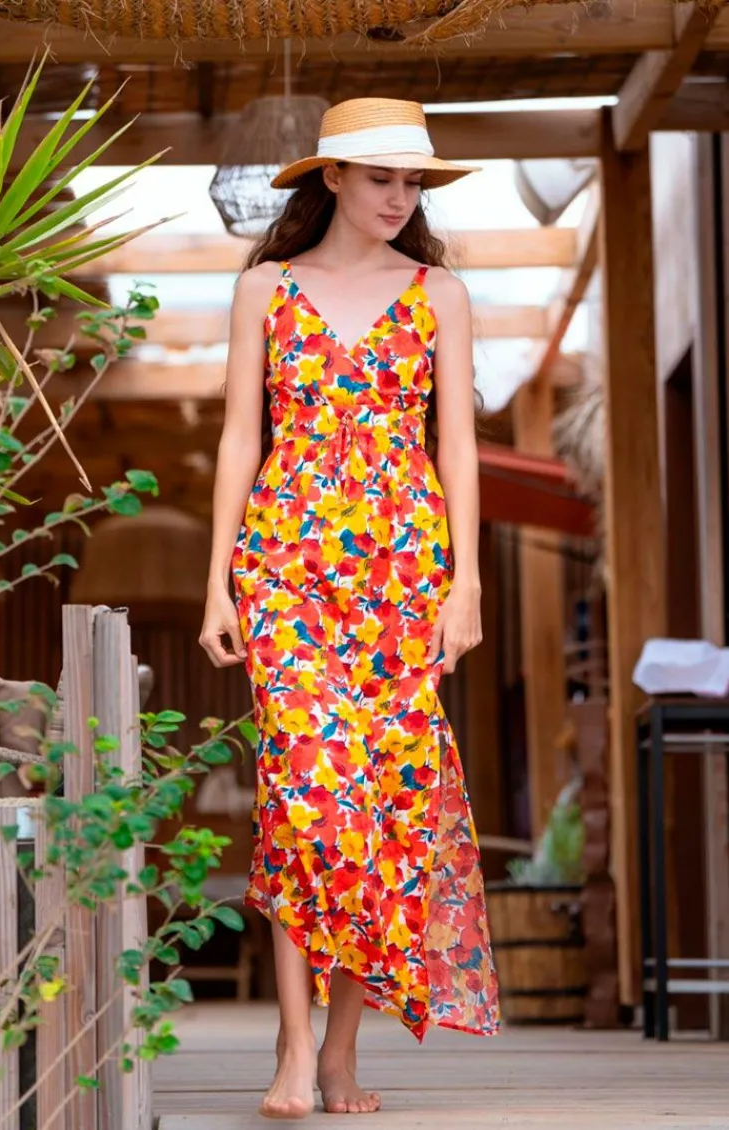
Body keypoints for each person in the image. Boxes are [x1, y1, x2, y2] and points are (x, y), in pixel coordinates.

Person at [199, 97, 500, 1120]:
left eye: (413, 182)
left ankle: (338, 1053)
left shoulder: (440, 294)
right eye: (382, 178)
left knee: (381, 813)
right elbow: (240, 439)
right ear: (329, 177)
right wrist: (217, 581)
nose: (400, 197)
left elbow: (456, 446)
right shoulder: (266, 289)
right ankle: (292, 1046)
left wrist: (466, 582)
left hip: (403, 580)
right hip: (285, 571)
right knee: (307, 801)